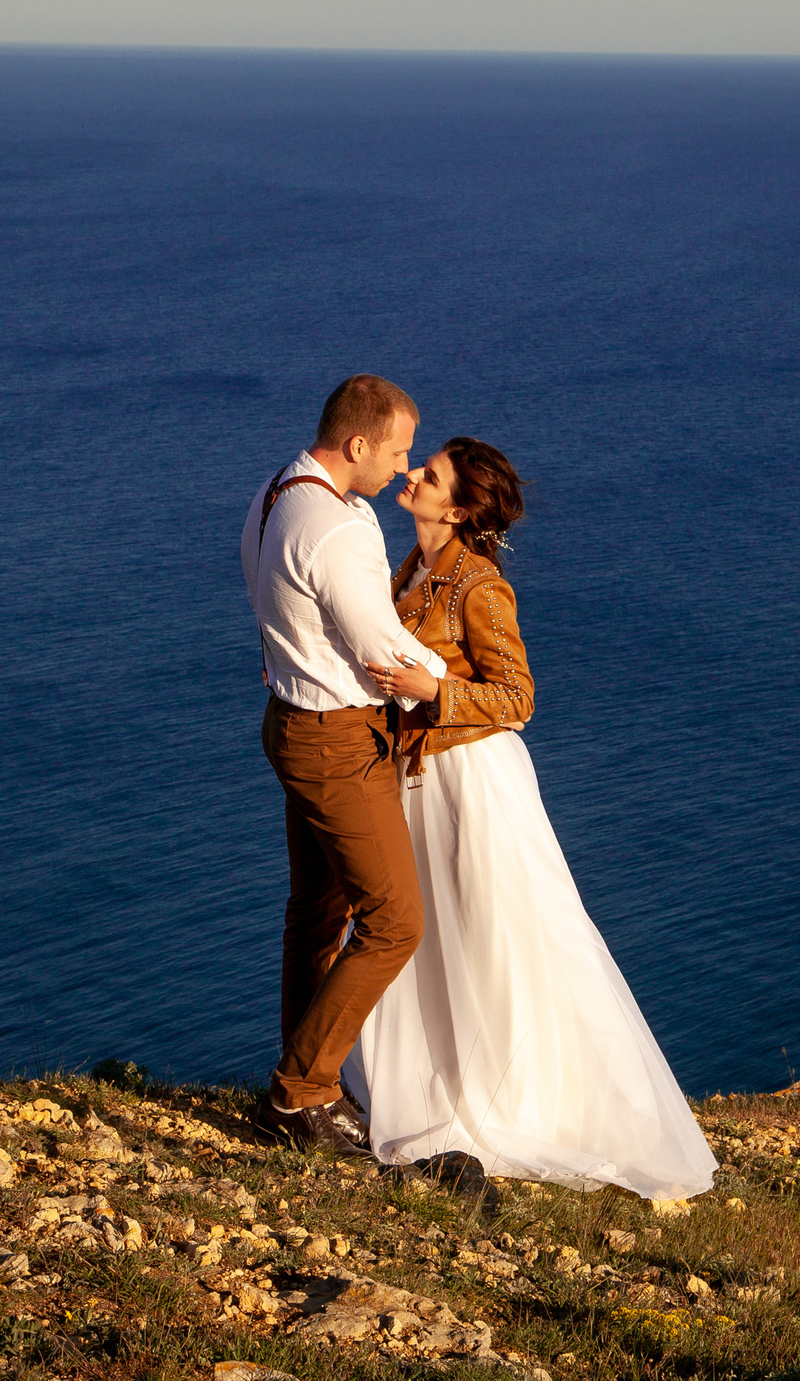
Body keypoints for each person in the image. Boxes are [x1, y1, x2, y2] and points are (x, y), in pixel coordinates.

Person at [355, 438, 716, 1200]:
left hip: (472, 784)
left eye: (430, 474)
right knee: (435, 937)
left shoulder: (478, 586)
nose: (412, 472)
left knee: (502, 934)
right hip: (422, 780)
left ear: (454, 509)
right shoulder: (412, 566)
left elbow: (517, 698)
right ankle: (444, 1086)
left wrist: (431, 686)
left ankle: (525, 1101)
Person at [240, 374, 448, 1154]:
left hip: (291, 720)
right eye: (395, 451)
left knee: (318, 912)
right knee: (395, 920)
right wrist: (457, 686)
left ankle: (300, 1082)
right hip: (335, 740)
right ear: (357, 444)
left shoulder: (275, 490)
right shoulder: (338, 527)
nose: (403, 467)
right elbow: (381, 646)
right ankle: (300, 1093)